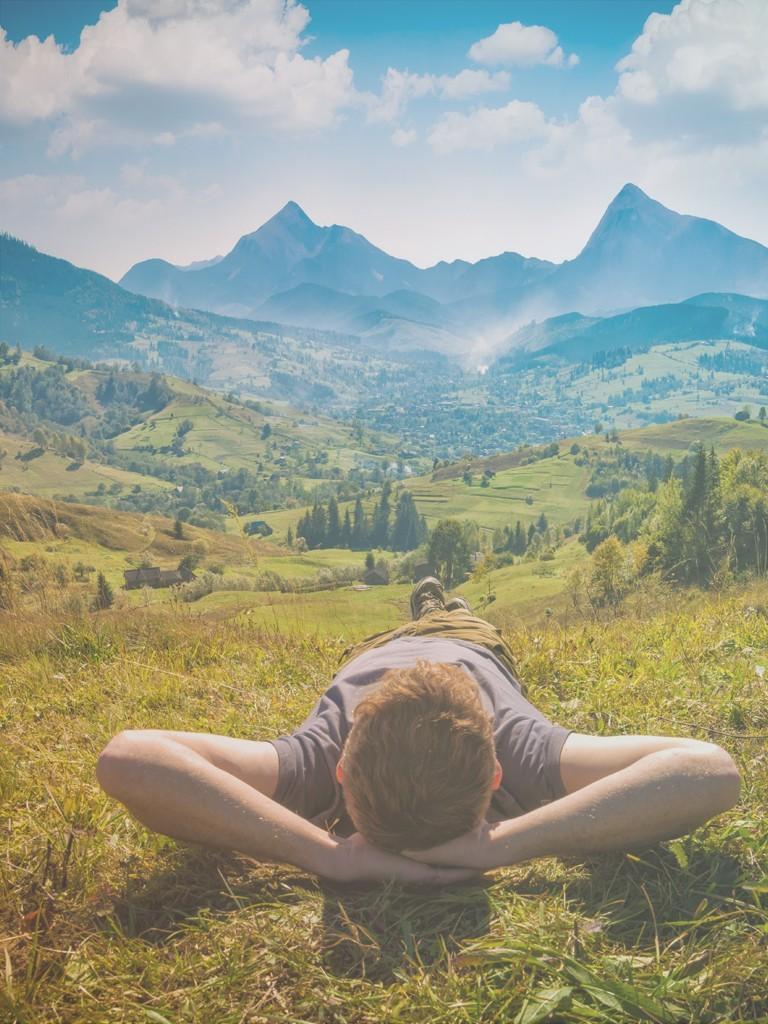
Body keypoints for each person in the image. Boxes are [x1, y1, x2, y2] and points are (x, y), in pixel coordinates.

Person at [97, 578, 740, 886]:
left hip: (443, 648)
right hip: (423, 651)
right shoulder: (523, 751)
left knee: (451, 617)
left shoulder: (315, 762)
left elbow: (131, 759)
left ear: (342, 773)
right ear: (495, 776)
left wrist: (334, 858)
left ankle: (436, 607)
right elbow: (708, 767)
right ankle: (437, 608)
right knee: (449, 617)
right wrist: (500, 845)